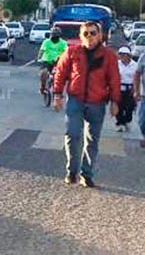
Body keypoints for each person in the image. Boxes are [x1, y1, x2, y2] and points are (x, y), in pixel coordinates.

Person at [52, 21, 121, 188]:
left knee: (92, 140)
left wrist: (115, 101)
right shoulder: (72, 51)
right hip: (76, 100)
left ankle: (86, 173)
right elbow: (60, 73)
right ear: (80, 36)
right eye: (86, 34)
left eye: (93, 33)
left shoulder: (109, 56)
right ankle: (72, 171)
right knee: (72, 134)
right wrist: (57, 95)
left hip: (97, 102)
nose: (89, 37)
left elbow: (114, 79)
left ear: (100, 35)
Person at [38, 27, 67, 94]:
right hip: (47, 61)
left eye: (56, 35)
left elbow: (66, 52)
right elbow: (41, 51)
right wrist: (39, 58)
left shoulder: (63, 43)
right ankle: (43, 87)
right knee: (44, 73)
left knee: (60, 76)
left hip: (58, 62)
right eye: (53, 35)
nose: (54, 37)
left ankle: (59, 90)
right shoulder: (46, 42)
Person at [115, 46, 138, 132]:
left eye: (124, 55)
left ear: (129, 55)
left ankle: (127, 121)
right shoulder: (116, 64)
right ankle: (120, 123)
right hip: (119, 88)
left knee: (129, 107)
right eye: (121, 55)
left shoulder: (135, 65)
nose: (122, 57)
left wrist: (136, 90)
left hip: (130, 89)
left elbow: (138, 78)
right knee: (119, 107)